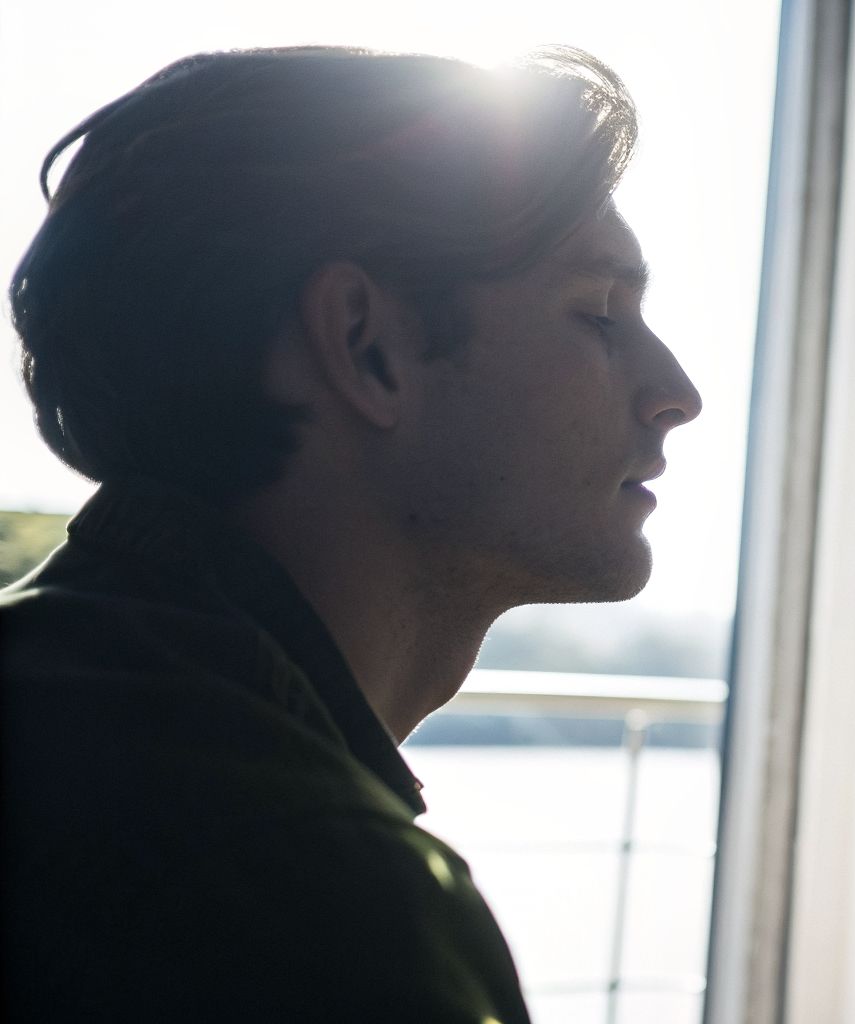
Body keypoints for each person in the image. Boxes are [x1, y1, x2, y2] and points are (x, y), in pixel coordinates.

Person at [1, 45, 701, 1020]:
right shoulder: (308, 889)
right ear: (364, 344)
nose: (678, 394)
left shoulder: (63, 701)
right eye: (598, 312)